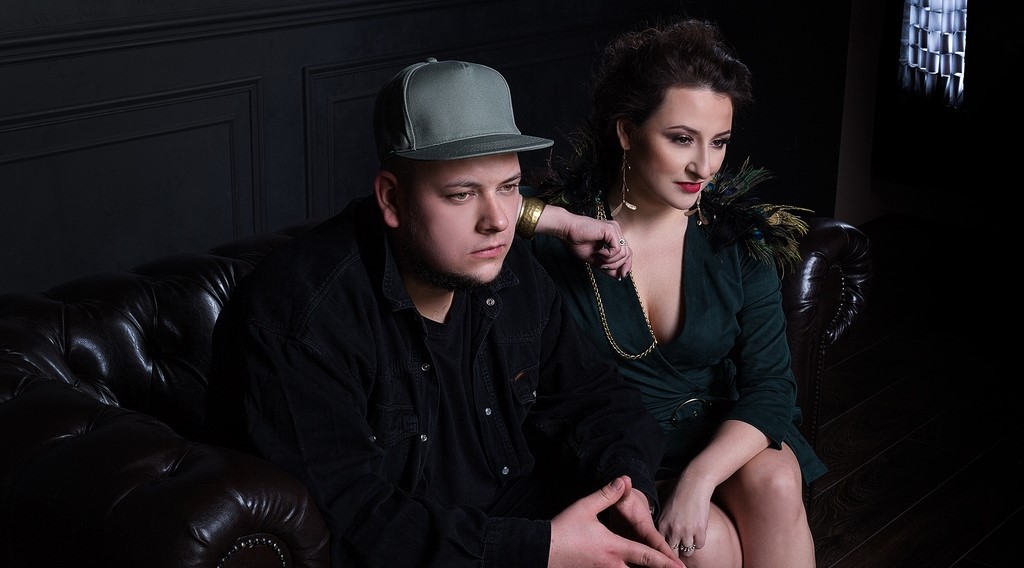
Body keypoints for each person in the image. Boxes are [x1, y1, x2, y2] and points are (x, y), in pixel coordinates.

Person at [209, 57, 685, 568]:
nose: (497, 221)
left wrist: (627, 489)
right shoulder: (299, 319)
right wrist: (540, 549)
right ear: (391, 198)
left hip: (520, 521)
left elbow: (596, 399)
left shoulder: (507, 268)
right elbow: (355, 518)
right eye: (462, 194)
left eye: (509, 187)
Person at [521, 17, 825, 568]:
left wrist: (699, 479)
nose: (703, 166)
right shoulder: (567, 233)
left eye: (719, 142)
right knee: (710, 545)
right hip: (620, 448)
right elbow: (472, 205)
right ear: (627, 132)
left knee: (779, 481)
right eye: (682, 138)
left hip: (722, 437)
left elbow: (772, 386)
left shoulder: (737, 239)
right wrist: (556, 222)